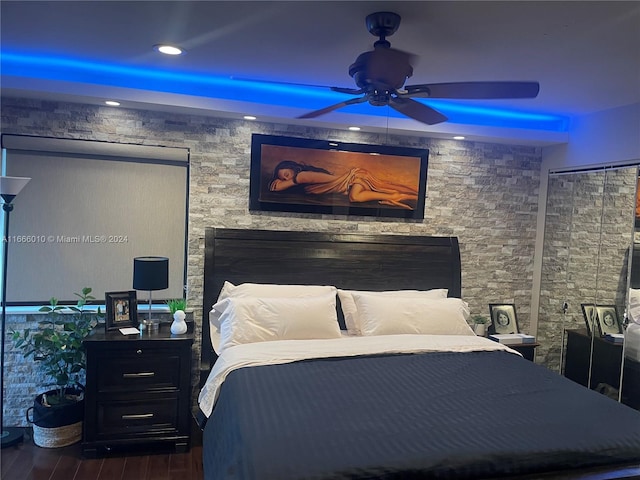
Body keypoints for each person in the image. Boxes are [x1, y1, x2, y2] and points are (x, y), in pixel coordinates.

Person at [268, 160, 419, 209]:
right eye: (282, 178)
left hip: (354, 178)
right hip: (352, 182)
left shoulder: (302, 176)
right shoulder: (302, 182)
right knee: (355, 195)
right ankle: (397, 196)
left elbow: (331, 181)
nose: (284, 180)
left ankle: (394, 196)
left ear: (294, 169)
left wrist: (284, 183)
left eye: (286, 175)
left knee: (354, 197)